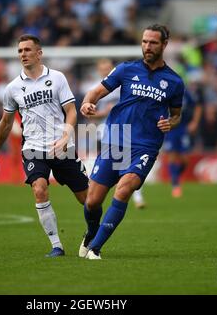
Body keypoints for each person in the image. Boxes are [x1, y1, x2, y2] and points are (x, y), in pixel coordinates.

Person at [79, 24, 184, 259]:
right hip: (117, 137)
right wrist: (87, 103)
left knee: (124, 189)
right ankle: (91, 232)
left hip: (146, 145)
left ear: (164, 45)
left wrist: (172, 122)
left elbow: (176, 115)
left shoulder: (175, 82)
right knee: (92, 201)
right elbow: (95, 92)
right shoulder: (126, 69)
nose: (147, 46)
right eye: (145, 41)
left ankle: (95, 249)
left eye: (153, 42)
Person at [0, 34, 89, 257]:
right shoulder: (12, 88)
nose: (23, 54)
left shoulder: (58, 78)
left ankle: (93, 234)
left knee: (87, 199)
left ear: (39, 53)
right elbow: (6, 122)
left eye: (28, 50)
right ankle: (56, 245)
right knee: (39, 189)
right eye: (20, 51)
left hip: (61, 146)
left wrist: (65, 136)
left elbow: (71, 112)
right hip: (32, 148)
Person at [81, 58, 146, 209]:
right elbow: (90, 114)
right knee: (106, 164)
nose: (105, 70)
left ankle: (137, 196)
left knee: (128, 165)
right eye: (102, 68)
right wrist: (101, 113)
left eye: (108, 67)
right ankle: (104, 193)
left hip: (123, 130)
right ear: (98, 70)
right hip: (101, 131)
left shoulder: (122, 86)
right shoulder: (94, 88)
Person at [162, 87, 202, 197]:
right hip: (170, 128)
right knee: (172, 155)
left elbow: (197, 106)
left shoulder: (185, 92)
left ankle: (176, 176)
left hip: (182, 128)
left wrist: (195, 122)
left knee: (185, 159)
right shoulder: (165, 90)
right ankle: (175, 184)